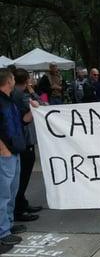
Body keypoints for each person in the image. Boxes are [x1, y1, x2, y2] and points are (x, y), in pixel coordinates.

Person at [0, 68, 37, 252]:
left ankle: (8, 224)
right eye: (13, 78)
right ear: (8, 81)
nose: (15, 80)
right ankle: (2, 234)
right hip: (4, 153)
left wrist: (32, 110)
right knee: (3, 194)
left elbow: (22, 121)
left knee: (12, 191)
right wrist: (3, 148)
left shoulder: (10, 100)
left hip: (15, 150)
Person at [12, 69, 42, 222]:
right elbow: (40, 104)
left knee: (21, 177)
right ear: (27, 79)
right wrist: (32, 94)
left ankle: (22, 204)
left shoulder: (15, 94)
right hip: (24, 140)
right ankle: (18, 209)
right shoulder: (21, 96)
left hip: (22, 140)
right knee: (21, 178)